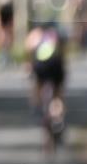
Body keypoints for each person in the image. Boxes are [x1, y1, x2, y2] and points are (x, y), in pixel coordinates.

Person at [24, 20, 66, 153]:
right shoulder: (55, 35)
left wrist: (29, 67)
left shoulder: (34, 35)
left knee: (37, 86)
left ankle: (38, 106)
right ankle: (58, 116)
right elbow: (62, 54)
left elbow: (29, 54)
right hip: (56, 65)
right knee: (57, 94)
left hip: (40, 67)